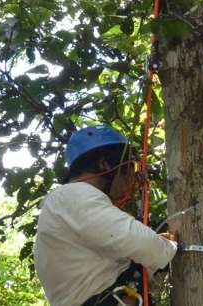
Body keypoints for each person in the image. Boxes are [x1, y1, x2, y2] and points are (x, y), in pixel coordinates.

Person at [34, 125, 177, 306]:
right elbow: (138, 241)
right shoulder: (73, 194)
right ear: (105, 164)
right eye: (129, 167)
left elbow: (113, 265)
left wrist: (154, 256)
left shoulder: (68, 206)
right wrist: (170, 248)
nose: (133, 178)